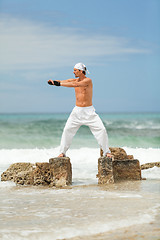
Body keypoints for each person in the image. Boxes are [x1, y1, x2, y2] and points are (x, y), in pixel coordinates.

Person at [48, 63, 112, 158]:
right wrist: (54, 82)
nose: (73, 72)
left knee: (101, 130)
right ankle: (62, 152)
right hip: (77, 112)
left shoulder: (88, 81)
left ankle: (107, 152)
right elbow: (64, 81)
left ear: (81, 71)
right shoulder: (74, 79)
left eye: (75, 70)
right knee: (67, 130)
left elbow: (75, 84)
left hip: (89, 112)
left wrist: (59, 84)